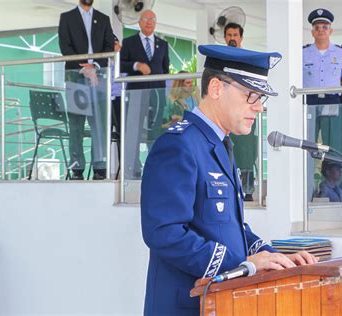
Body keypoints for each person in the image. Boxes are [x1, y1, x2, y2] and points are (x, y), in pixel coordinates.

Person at [140, 44, 318, 316]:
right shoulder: (179, 145)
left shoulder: (220, 144)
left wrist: (272, 258)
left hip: (221, 302)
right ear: (215, 89)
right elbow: (165, 233)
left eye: (261, 99)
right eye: (251, 96)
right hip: (187, 305)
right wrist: (244, 264)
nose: (259, 108)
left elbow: (228, 226)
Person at [58, 0, 114, 180]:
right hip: (75, 76)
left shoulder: (103, 19)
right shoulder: (66, 17)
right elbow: (65, 47)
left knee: (100, 124)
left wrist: (95, 66)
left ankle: (100, 167)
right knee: (76, 124)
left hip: (99, 78)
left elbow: (109, 46)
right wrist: (84, 67)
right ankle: (77, 168)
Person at [120, 10, 170, 179]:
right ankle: (132, 168)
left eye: (153, 20)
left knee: (154, 134)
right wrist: (136, 65)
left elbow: (166, 71)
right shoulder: (129, 42)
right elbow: (120, 65)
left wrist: (163, 96)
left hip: (156, 95)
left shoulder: (162, 45)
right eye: (146, 19)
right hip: (135, 94)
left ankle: (153, 168)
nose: (149, 22)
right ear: (139, 22)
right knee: (133, 132)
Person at [303, 8, 342, 151]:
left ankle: (332, 170)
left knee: (331, 142)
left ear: (331, 31)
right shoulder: (302, 53)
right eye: (317, 27)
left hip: (331, 100)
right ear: (312, 32)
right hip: (309, 100)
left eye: (325, 27)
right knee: (308, 140)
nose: (321, 30)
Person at [223, 22, 258, 201]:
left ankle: (248, 190)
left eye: (235, 35)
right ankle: (230, 187)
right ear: (225, 38)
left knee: (247, 152)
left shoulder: (248, 59)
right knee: (228, 148)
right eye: (229, 35)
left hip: (246, 108)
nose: (232, 38)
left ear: (241, 38)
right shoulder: (220, 58)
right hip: (227, 111)